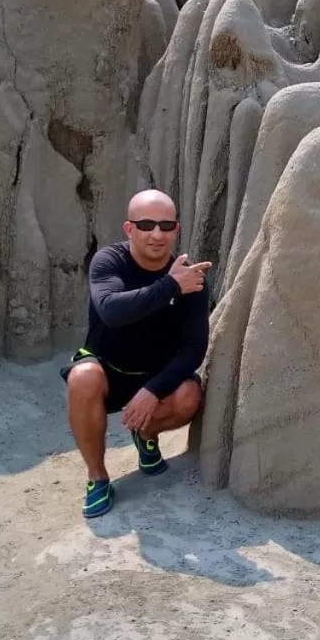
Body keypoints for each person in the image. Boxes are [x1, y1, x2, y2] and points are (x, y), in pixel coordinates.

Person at [59, 189, 211, 519]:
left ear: (177, 230)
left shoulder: (192, 279)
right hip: (107, 368)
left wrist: (153, 390)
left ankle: (146, 434)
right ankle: (97, 478)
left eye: (166, 225)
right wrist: (170, 287)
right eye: (146, 225)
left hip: (154, 375)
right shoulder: (109, 261)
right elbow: (112, 311)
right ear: (130, 229)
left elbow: (193, 349)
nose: (157, 234)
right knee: (82, 378)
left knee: (189, 396)